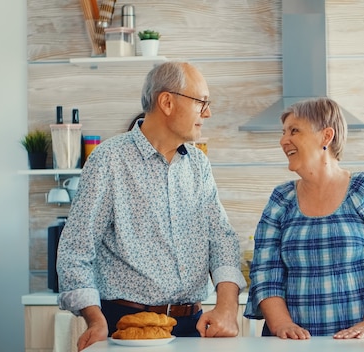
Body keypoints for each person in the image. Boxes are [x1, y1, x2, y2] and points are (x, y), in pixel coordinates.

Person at [57, 61, 247, 350]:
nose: (207, 113)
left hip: (192, 326)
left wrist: (227, 307)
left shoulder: (198, 164)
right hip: (126, 327)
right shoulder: (109, 159)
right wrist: (96, 321)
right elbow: (75, 251)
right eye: (201, 102)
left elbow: (221, 238)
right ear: (167, 102)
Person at [243, 97, 364, 339]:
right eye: (283, 133)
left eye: (294, 130)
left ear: (326, 136)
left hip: (359, 344)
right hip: (292, 345)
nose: (283, 140)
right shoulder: (282, 199)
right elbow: (265, 272)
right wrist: (282, 325)